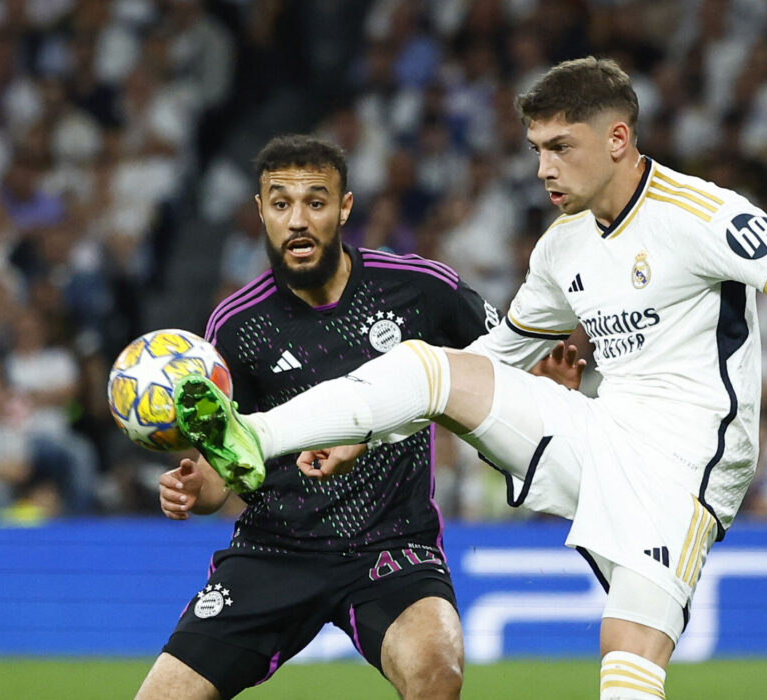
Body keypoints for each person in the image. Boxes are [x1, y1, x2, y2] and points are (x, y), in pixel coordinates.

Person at [174, 59, 767, 700]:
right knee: (430, 367)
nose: (544, 167)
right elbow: (498, 357)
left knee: (625, 657)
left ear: (618, 138)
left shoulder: (698, 215)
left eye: (561, 146)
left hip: (686, 465)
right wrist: (365, 433)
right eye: (536, 149)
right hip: (602, 436)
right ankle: (255, 434)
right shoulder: (561, 250)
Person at [136, 134, 584, 700]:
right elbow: (226, 466)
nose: (298, 220)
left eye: (315, 202)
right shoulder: (233, 327)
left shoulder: (422, 290)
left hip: (392, 547)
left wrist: (543, 388)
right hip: (275, 549)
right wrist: (191, 489)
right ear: (260, 212)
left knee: (436, 676)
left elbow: (500, 369)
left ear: (344, 208)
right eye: (281, 204)